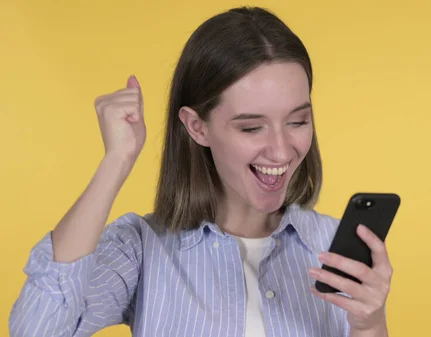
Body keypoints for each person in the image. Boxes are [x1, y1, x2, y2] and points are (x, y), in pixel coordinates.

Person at [9, 6, 393, 337]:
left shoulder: (335, 246)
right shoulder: (143, 250)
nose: (281, 149)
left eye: (297, 121)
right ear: (197, 127)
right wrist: (117, 161)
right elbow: (39, 328)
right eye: (251, 127)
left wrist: (370, 325)